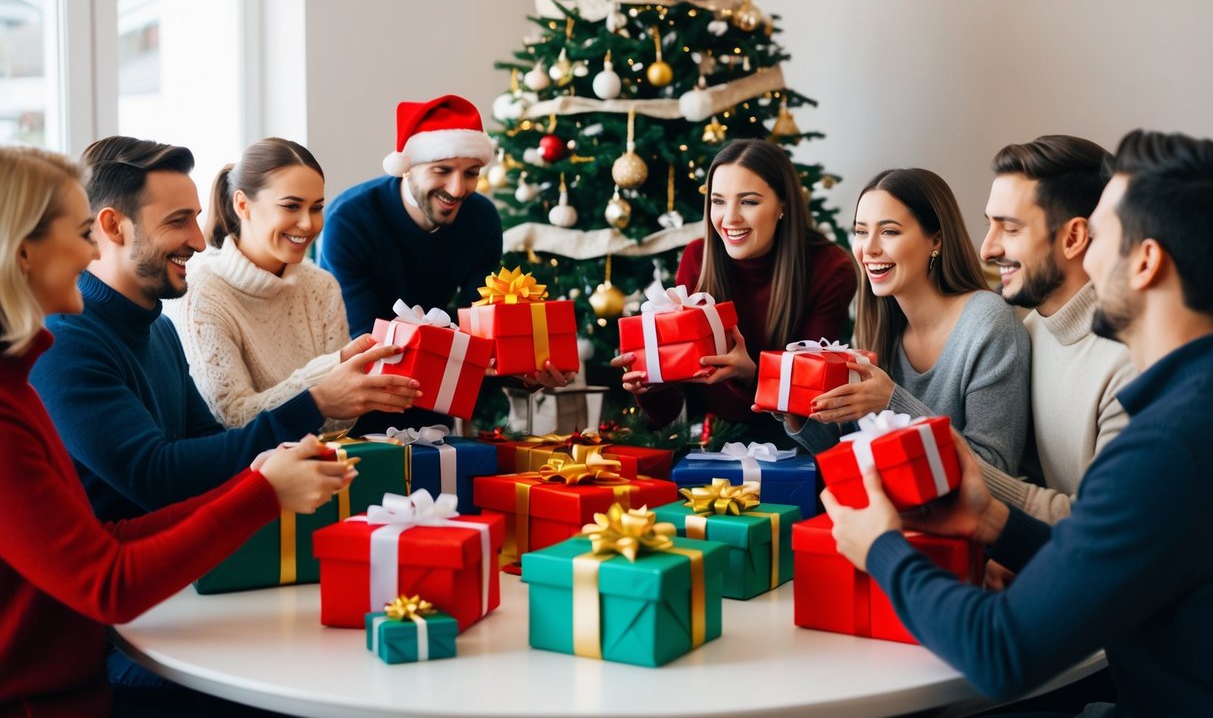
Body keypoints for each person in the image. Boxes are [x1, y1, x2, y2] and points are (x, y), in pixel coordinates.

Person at [825, 130, 1213, 716]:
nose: (985, 250)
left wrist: (881, 549)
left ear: (1146, 262)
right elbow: (1113, 552)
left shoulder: (1167, 442)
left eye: (1101, 236)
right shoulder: (1179, 401)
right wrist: (993, 519)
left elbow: (1000, 652)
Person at [0, 145, 354, 716]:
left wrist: (260, 481)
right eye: (78, 230)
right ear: (21, 254)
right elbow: (112, 570)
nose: (198, 237)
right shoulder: (47, 364)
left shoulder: (54, 364)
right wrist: (263, 490)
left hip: (97, 660)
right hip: (70, 685)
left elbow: (113, 533)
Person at [29, 136, 412, 524]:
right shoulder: (63, 341)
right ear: (113, 226)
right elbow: (154, 475)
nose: (198, 240)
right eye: (178, 220)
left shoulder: (160, 331)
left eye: (195, 218)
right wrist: (314, 404)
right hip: (119, 579)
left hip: (182, 572)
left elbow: (212, 447)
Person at [320, 95, 572, 433]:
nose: (457, 189)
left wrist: (525, 367)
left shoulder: (481, 219)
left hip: (434, 394)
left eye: (471, 174)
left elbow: (483, 325)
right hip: (353, 397)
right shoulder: (350, 221)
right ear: (407, 167)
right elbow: (364, 343)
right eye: (442, 171)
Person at [612, 138, 858, 442]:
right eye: (718, 201)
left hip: (794, 446)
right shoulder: (698, 259)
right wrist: (652, 383)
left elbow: (813, 407)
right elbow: (671, 414)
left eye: (749, 201)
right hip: (709, 441)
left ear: (783, 204)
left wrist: (751, 375)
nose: (730, 218)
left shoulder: (830, 268)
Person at [786, 168, 1030, 473]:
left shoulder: (989, 324)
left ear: (936, 240)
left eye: (889, 231)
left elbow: (996, 470)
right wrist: (796, 414)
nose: (869, 248)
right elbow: (858, 452)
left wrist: (891, 401)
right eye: (861, 231)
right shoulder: (878, 326)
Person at [164, 137, 416, 431]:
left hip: (322, 468)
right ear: (243, 205)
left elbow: (340, 422)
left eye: (316, 207)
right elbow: (230, 420)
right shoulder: (202, 293)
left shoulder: (322, 287)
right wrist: (326, 379)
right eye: (291, 206)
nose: (308, 224)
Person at [979, 136, 1135, 524]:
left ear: (1074, 238)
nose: (987, 249)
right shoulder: (1025, 332)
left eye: (1010, 229)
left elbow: (1104, 524)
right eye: (989, 225)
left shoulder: (1131, 363)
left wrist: (968, 471)